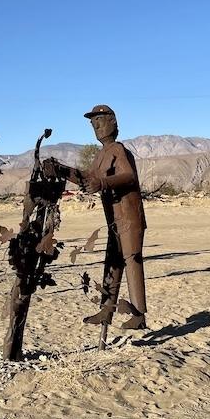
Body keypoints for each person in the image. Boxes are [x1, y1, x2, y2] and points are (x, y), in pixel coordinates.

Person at [64, 105, 148, 329]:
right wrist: (63, 171)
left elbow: (128, 176)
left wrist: (102, 183)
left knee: (132, 260)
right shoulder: (101, 155)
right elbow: (88, 178)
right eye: (93, 123)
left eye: (100, 120)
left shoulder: (118, 150)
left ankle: (139, 315)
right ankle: (106, 311)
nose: (97, 126)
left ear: (113, 122)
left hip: (129, 217)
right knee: (113, 262)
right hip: (114, 219)